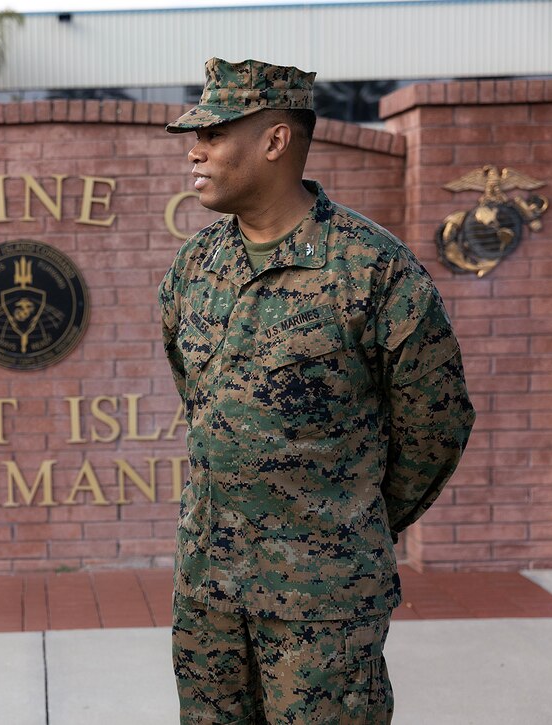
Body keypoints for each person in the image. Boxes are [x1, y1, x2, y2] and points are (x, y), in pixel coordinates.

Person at [159, 58, 475, 724]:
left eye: (215, 133)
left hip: (324, 607)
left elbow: (435, 426)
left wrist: (348, 522)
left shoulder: (372, 269)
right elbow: (199, 397)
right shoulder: (194, 268)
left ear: (275, 141)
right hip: (209, 596)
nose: (196, 149)